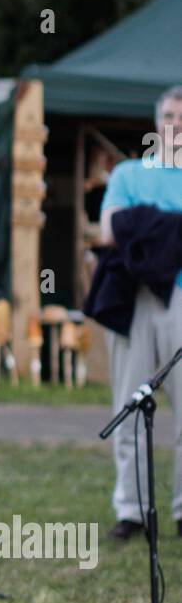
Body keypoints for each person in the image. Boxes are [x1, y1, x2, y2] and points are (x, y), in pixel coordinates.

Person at [98, 84, 182, 541]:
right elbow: (111, 228)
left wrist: (144, 222)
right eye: (170, 116)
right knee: (130, 403)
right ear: (157, 122)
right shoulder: (130, 172)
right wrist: (172, 225)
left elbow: (129, 225)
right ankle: (132, 509)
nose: (177, 126)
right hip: (135, 299)